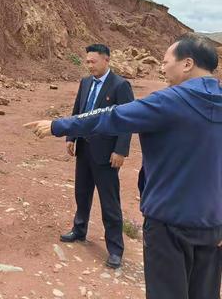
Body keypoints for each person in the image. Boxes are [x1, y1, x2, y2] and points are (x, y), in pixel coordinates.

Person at [25, 33, 222, 299]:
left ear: (187, 63)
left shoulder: (168, 101)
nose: (161, 67)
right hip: (212, 227)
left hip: (168, 225)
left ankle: (115, 247)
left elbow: (111, 117)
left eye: (165, 62)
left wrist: (57, 126)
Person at [60, 44, 134, 269]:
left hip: (107, 154)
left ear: (106, 60)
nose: (89, 65)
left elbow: (128, 119)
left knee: (109, 201)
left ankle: (115, 249)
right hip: (84, 148)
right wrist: (71, 137)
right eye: (88, 61)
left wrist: (121, 150)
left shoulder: (120, 85)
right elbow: (78, 113)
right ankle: (79, 229)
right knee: (82, 193)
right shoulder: (85, 83)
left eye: (93, 61)